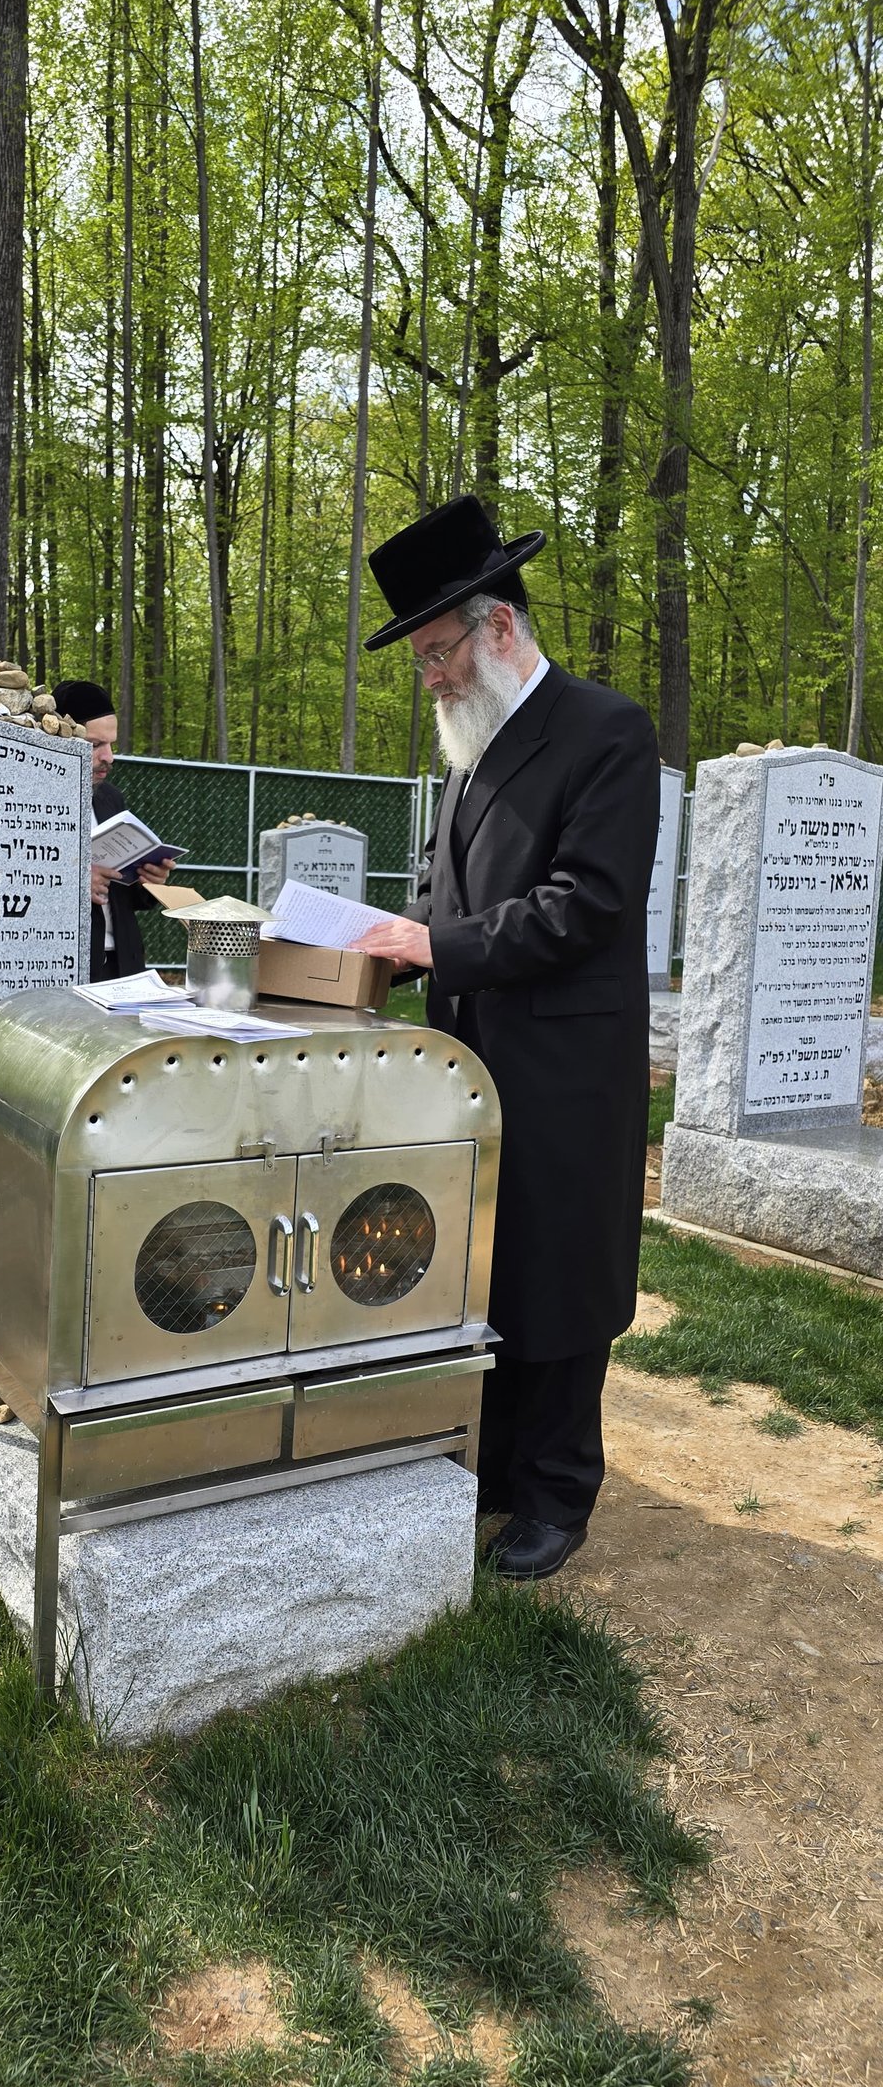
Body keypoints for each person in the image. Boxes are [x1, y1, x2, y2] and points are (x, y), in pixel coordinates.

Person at [352, 494, 660, 1581]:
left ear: (498, 629)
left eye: (437, 652)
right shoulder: (470, 745)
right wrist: (384, 953)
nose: (428, 677)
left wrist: (441, 948)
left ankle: (559, 1489)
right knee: (490, 1264)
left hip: (568, 1065)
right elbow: (449, 893)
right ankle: (494, 1465)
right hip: (473, 1062)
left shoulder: (607, 732)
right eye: (421, 660)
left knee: (561, 1273)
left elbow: (588, 904)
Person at [53, 679, 174, 979]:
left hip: (123, 965)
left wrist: (148, 881)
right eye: (95, 745)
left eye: (111, 744)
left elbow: (119, 892)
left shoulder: (110, 797)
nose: (109, 757)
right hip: (68, 968)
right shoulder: (31, 801)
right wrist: (76, 881)